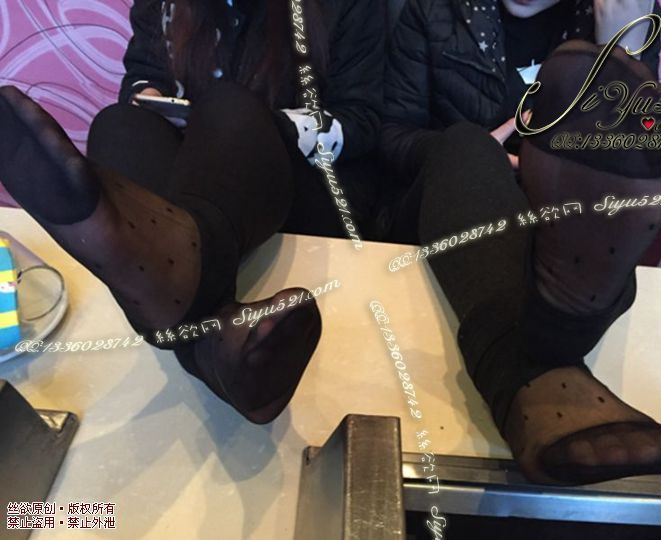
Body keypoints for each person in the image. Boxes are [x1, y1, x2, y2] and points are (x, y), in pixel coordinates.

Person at [0, 0, 383, 424]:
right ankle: (210, 351)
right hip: (192, 186)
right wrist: (149, 97)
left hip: (294, 191)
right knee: (118, 123)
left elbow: (363, 122)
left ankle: (138, 255)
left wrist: (265, 127)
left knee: (228, 106)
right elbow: (142, 74)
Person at [381, 0, 661, 485]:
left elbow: (627, 159)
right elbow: (390, 136)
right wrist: (489, 153)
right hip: (433, 211)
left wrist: (621, 49)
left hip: (544, 228)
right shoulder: (435, 9)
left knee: (590, 218)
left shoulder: (629, 15)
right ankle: (554, 341)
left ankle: (538, 356)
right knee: (465, 143)